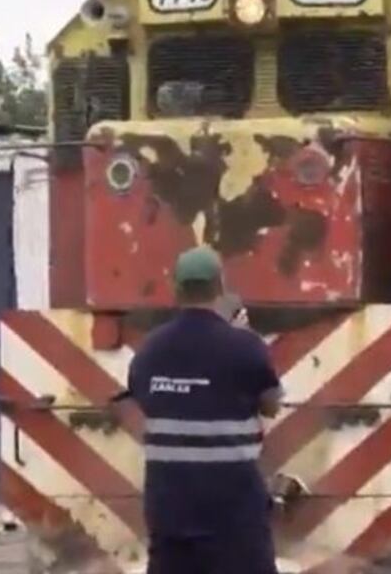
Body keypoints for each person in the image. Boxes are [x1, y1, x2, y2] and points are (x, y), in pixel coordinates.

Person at [124, 246, 283, 574]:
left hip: (169, 511)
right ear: (220, 287)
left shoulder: (150, 350)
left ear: (175, 288)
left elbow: (141, 401)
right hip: (234, 515)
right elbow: (271, 405)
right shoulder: (244, 346)